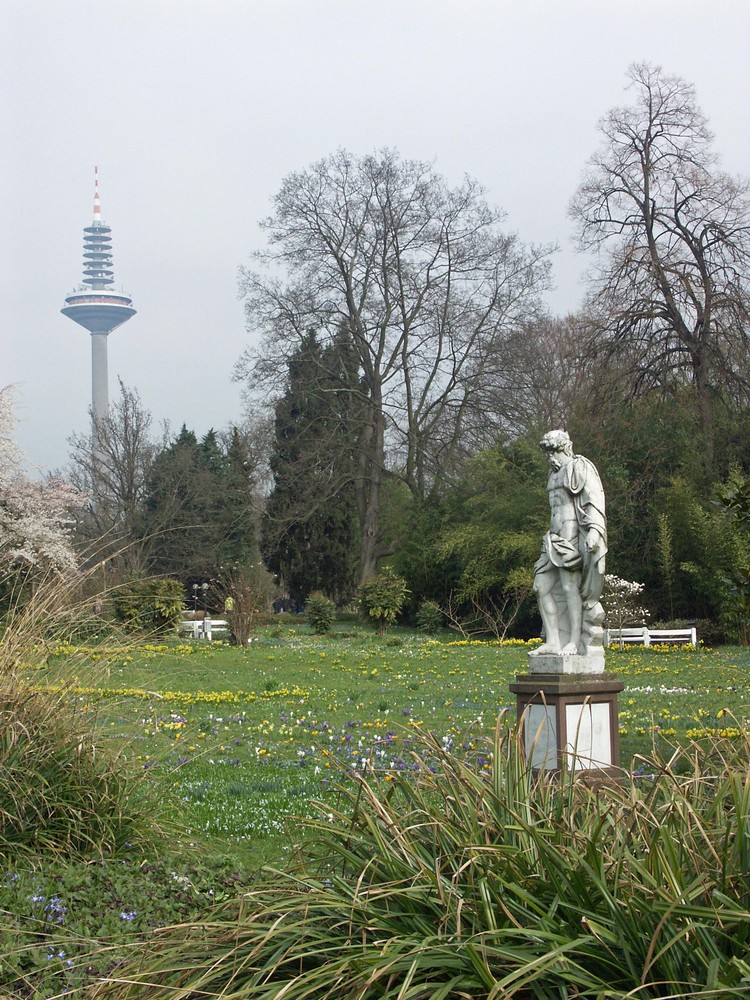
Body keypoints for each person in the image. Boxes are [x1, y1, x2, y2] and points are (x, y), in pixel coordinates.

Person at [530, 429, 606, 656]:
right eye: (547, 453)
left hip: (571, 536)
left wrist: (594, 531)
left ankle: (574, 641)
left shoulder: (579, 467)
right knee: (540, 586)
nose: (550, 457)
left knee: (568, 587)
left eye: (553, 451)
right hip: (552, 538)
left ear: (564, 448)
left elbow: (594, 498)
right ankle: (553, 641)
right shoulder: (552, 474)